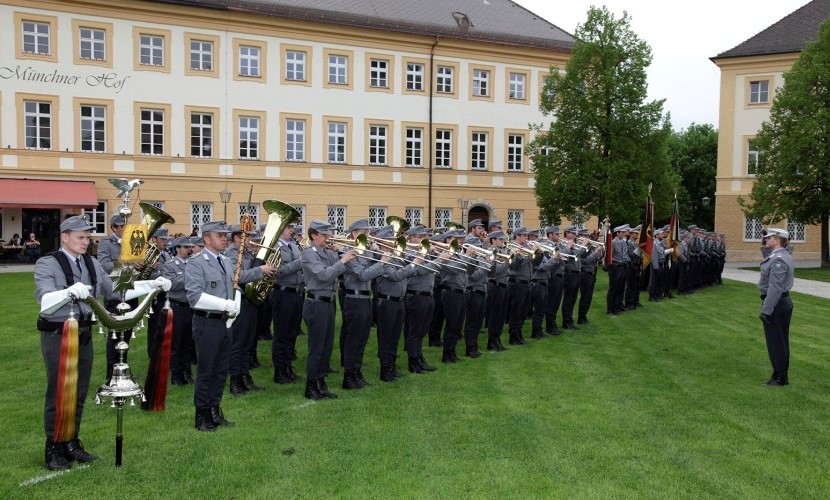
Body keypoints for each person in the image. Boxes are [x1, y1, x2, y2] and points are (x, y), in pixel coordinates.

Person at [35, 215, 170, 469]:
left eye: (88, 237)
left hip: (84, 333)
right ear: (65, 237)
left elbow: (118, 289)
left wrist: (152, 284)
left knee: (79, 390)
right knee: (59, 390)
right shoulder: (48, 263)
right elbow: (44, 301)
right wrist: (68, 292)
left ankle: (71, 441)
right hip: (58, 333)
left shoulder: (91, 263)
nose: (86, 242)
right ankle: (54, 446)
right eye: (81, 237)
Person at [185, 221, 240, 431]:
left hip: (224, 322)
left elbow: (233, 288)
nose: (224, 238)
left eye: (225, 235)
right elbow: (194, 297)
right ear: (207, 239)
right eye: (220, 235)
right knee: (206, 370)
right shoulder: (196, 262)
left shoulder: (225, 261)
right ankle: (201, 415)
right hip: (206, 322)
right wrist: (225, 304)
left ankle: (215, 409)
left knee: (221, 370)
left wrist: (234, 308)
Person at [301, 220, 356, 399]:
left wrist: (341, 252)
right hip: (316, 303)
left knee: (326, 346)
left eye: (328, 234)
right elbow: (324, 275)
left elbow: (339, 270)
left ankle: (320, 382)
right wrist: (342, 259)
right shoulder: (308, 253)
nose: (328, 238)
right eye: (324, 235)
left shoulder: (327, 252)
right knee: (316, 347)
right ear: (314, 235)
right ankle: (311, 386)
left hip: (329, 302)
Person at [224, 225, 274, 396]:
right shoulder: (231, 254)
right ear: (237, 238)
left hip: (251, 302)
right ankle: (235, 381)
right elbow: (238, 276)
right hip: (240, 302)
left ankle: (245, 376)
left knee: (248, 342)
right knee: (238, 344)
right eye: (248, 237)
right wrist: (260, 270)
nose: (252, 241)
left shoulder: (248, 254)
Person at [338, 219, 385, 387]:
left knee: (362, 338)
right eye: (364, 232)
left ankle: (357, 373)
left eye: (368, 232)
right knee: (354, 339)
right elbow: (363, 275)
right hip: (354, 299)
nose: (368, 235)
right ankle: (349, 377)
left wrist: (377, 253)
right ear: (354, 233)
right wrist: (382, 260)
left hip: (366, 298)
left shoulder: (366, 250)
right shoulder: (347, 251)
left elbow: (376, 270)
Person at [758, 228, 794, 386]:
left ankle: (779, 376)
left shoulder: (779, 259)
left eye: (769, 237)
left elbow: (775, 288)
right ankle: (781, 374)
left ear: (778, 240)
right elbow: (766, 255)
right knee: (780, 340)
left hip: (776, 304)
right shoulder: (778, 255)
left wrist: (766, 310)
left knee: (776, 342)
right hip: (779, 303)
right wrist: (765, 241)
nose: (766, 239)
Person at [271, 221, 305, 385]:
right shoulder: (274, 247)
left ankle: (288, 367)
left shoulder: (294, 245)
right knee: (281, 334)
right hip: (282, 292)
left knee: (292, 334)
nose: (292, 230)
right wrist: (301, 261)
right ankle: (279, 371)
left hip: (296, 292)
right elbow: (279, 271)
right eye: (289, 227)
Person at [160, 237, 196, 386]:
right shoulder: (170, 265)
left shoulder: (193, 264)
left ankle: (186, 371)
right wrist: (192, 276)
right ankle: (176, 373)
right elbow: (171, 284)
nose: (190, 249)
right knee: (176, 342)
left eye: (190, 247)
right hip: (177, 307)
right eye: (186, 246)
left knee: (189, 342)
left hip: (191, 307)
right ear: (177, 248)